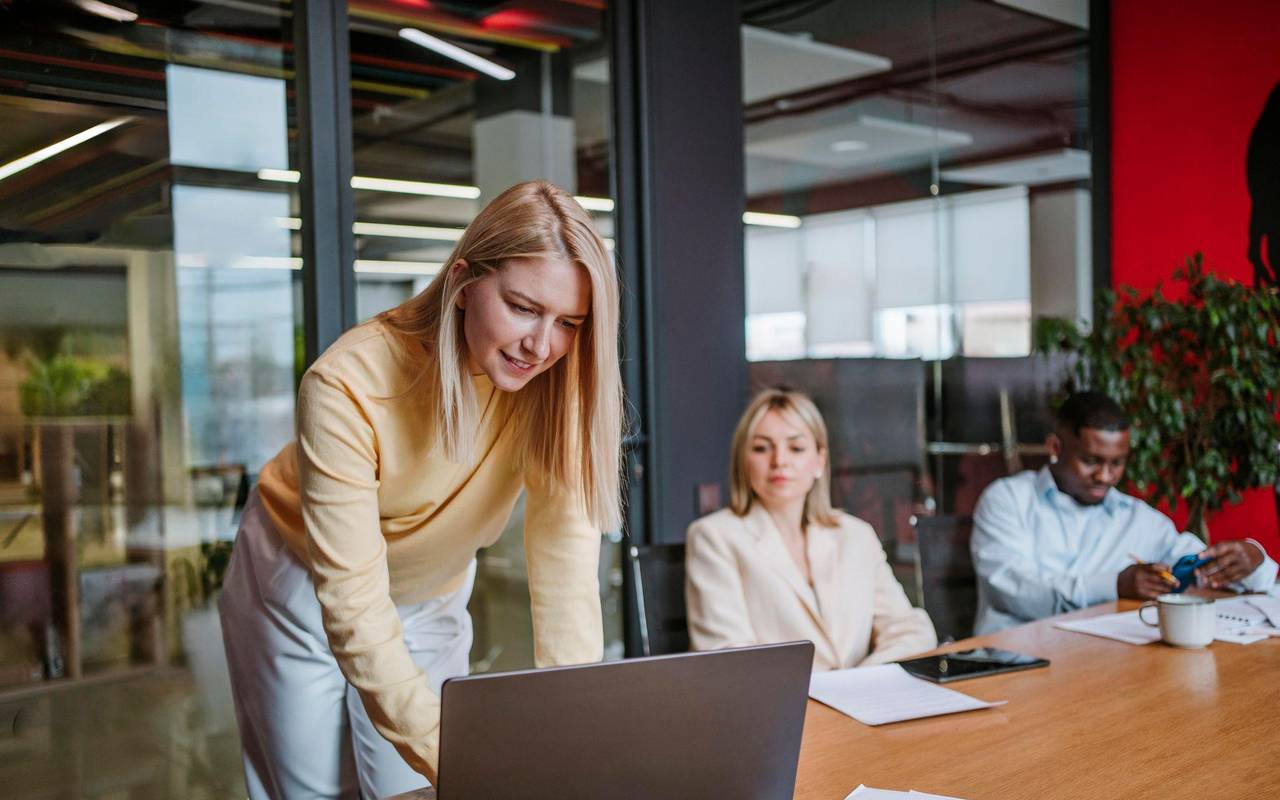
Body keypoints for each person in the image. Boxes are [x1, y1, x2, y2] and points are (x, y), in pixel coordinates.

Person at [218, 181, 623, 799]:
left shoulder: (557, 386)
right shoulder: (347, 385)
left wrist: (574, 728)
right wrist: (464, 762)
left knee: (416, 788)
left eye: (568, 322)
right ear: (462, 284)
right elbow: (353, 604)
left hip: (430, 590)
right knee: (316, 791)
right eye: (522, 307)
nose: (542, 346)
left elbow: (565, 566)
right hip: (298, 578)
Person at [972, 391, 1277, 634]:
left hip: (1103, 668)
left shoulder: (1138, 519)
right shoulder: (1008, 499)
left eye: (1117, 463)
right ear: (1056, 447)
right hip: (1014, 660)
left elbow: (1205, 566)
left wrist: (1252, 560)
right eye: (1091, 460)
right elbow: (1013, 591)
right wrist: (1114, 586)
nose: (1105, 476)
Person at [685, 388, 937, 671]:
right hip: (777, 709)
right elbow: (726, 656)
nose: (779, 461)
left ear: (819, 460)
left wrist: (861, 679)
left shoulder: (855, 535)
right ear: (743, 461)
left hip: (859, 703)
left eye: (796, 448)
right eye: (761, 447)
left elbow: (910, 630)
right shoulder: (714, 537)